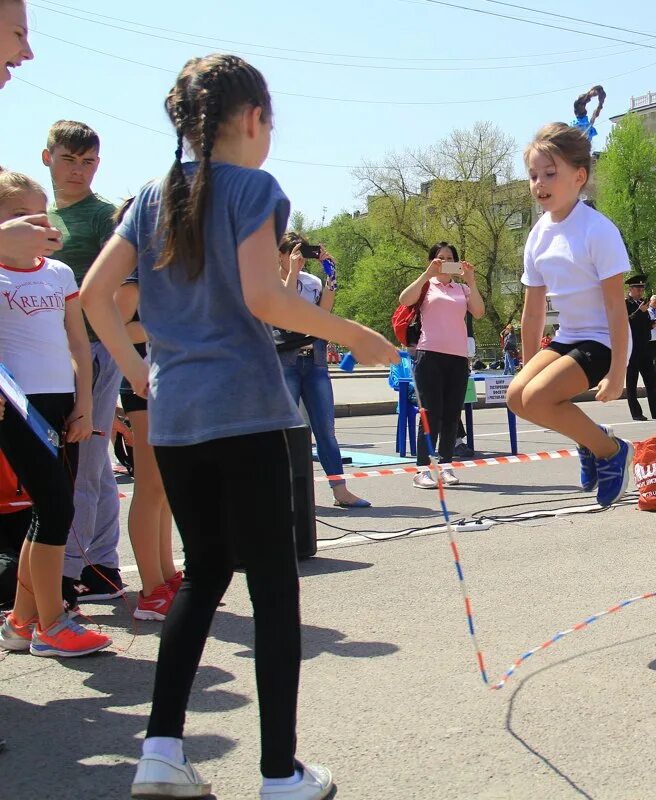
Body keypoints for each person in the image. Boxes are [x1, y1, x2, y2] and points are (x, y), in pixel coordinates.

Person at [82, 53, 397, 799]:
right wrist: (353, 334)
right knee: (274, 589)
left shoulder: (153, 195)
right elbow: (264, 295)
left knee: (205, 574)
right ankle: (278, 771)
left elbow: (96, 295)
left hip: (178, 417)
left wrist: (138, 372)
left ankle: (160, 752)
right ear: (253, 119)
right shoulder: (255, 188)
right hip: (248, 412)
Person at [0, 171, 111, 657]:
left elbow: (77, 344)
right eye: (21, 214)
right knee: (55, 509)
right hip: (14, 405)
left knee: (50, 511)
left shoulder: (59, 273)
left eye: (41, 213)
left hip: (62, 402)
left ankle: (23, 622)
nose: (37, 223)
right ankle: (52, 623)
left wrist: (84, 403)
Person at [506, 122, 632, 508]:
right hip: (566, 338)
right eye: (532, 175)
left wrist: (618, 372)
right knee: (518, 397)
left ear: (579, 177)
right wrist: (528, 365)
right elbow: (534, 309)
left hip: (602, 341)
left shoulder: (598, 230)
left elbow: (616, 306)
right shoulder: (538, 234)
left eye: (549, 173)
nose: (539, 183)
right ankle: (590, 439)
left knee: (541, 398)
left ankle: (610, 451)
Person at [41, 121, 127, 605]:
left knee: (86, 463)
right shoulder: (39, 213)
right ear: (47, 157)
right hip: (44, 354)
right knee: (70, 465)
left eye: (88, 161)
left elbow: (119, 293)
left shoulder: (102, 218)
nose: (79, 170)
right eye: (70, 159)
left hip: (93, 350)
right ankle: (93, 564)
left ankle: (83, 570)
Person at [112, 198, 182, 622]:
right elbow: (118, 328)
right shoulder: (130, 268)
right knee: (151, 484)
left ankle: (167, 575)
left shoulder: (158, 266)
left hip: (169, 380)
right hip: (142, 382)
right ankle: (151, 590)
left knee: (167, 486)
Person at [274, 232, 370, 508]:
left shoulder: (311, 282)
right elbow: (284, 307)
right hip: (286, 362)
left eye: (302, 253)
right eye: (293, 253)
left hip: (314, 360)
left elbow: (325, 312)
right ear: (279, 255)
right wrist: (291, 271)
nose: (300, 258)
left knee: (325, 429)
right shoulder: (271, 280)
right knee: (286, 429)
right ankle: (286, 492)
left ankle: (340, 490)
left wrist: (331, 276)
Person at [398, 241, 484, 488]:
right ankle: (422, 470)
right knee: (430, 414)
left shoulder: (462, 289)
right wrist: (428, 273)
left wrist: (471, 281)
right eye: (440, 257)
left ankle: (446, 467)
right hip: (430, 355)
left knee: (451, 415)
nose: (445, 261)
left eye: (450, 258)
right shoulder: (427, 285)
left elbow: (478, 312)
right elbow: (405, 300)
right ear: (433, 260)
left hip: (457, 358)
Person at [624, 274, 656, 421]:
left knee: (651, 381)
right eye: (637, 289)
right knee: (632, 383)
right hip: (631, 349)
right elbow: (626, 322)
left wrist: (653, 323)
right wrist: (640, 311)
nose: (640, 292)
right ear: (630, 289)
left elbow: (643, 325)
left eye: (642, 289)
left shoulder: (642, 304)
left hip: (645, 348)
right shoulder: (625, 303)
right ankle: (636, 413)